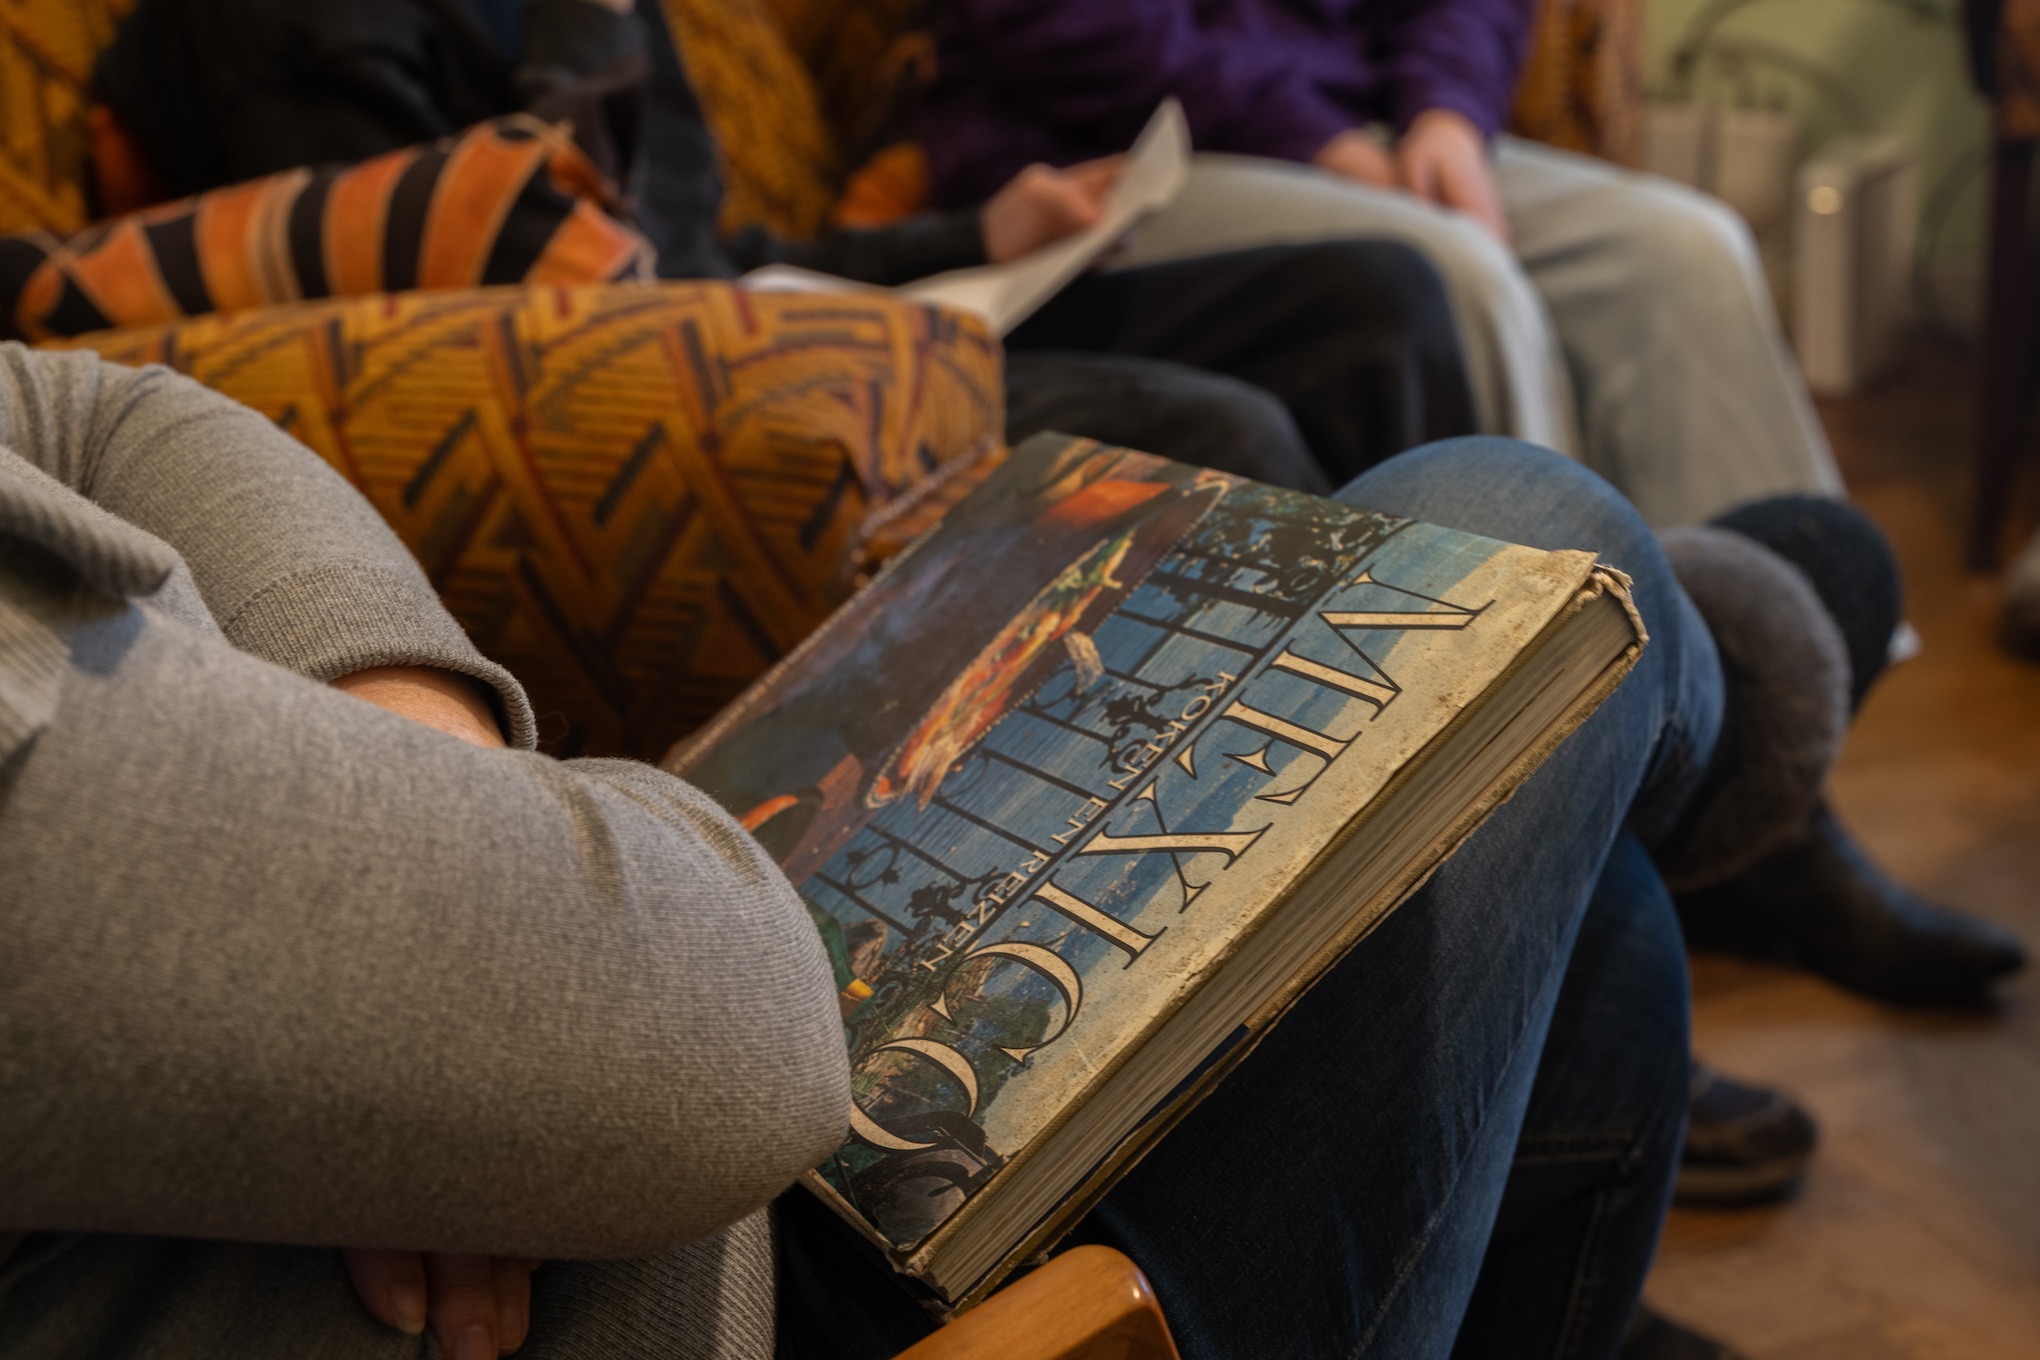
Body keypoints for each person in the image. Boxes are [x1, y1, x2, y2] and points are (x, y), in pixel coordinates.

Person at [2, 343, 1722, 1360]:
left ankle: (1689, 739)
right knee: (1545, 540)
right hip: (741, 1273)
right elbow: (728, 1036)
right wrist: (490, 900)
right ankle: (1719, 746)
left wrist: (407, 726)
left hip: (664, 1136)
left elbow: (87, 408)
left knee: (1591, 910)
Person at [90, 0, 1478, 493]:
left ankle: (1504, 819)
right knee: (1211, 433)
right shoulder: (286, 20)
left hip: (735, 320)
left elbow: (697, 248)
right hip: (617, 401)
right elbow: (452, 306)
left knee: (1375, 298)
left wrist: (981, 234)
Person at [919, 0, 1845, 530]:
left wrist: (1447, 111)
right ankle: (1556, 702)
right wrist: (1315, 139)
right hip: (1119, 149)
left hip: (1375, 122)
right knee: (1452, 270)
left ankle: (1765, 740)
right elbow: (1062, 23)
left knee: (1683, 248)